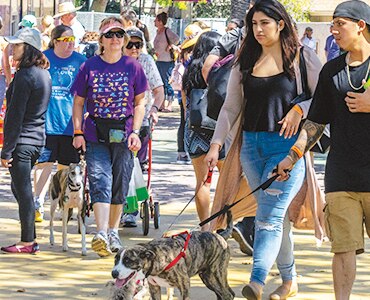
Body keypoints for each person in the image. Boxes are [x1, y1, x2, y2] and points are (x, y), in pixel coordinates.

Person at [205, 0, 322, 298]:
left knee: (268, 218)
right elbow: (231, 108)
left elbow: (324, 101)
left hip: (288, 150)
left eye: (264, 23)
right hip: (251, 149)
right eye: (253, 24)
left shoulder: (301, 57)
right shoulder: (245, 59)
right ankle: (289, 281)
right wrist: (216, 143)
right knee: (275, 217)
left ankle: (256, 281)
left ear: (280, 23)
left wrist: (300, 109)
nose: (258, 30)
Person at [276, 1, 370, 299]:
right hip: (341, 175)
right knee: (342, 249)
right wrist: (292, 156)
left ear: (361, 25)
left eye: (340, 23)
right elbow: (315, 121)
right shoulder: (332, 70)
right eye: (332, 23)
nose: (334, 30)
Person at [71, 17, 147, 257]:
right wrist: (77, 131)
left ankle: (113, 231)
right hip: (95, 132)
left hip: (124, 133)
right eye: (109, 35)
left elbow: (140, 102)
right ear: (101, 41)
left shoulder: (132, 66)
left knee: (120, 181)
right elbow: (79, 102)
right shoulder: (89, 66)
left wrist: (135, 131)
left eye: (119, 35)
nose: (115, 39)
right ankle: (101, 232)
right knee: (98, 179)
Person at [0, 28, 51, 254]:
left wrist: (6, 150)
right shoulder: (42, 73)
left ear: (28, 48)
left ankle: (28, 241)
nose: (13, 48)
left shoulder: (26, 75)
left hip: (23, 141)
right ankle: (28, 238)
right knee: (20, 188)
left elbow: (14, 115)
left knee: (23, 191)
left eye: (17, 45)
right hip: (36, 140)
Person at [33, 25, 87, 222]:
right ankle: (37, 203)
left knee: (66, 167)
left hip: (71, 125)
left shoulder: (81, 62)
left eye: (73, 39)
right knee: (43, 164)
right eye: (66, 40)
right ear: (55, 41)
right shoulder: (42, 58)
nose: (70, 43)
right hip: (46, 122)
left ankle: (64, 203)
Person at [121, 28, 164, 227]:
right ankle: (120, 206)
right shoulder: (113, 60)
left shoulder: (146, 61)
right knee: (120, 166)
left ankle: (130, 208)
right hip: (116, 121)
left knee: (133, 164)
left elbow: (159, 90)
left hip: (142, 122)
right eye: (130, 44)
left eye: (138, 44)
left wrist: (154, 108)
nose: (134, 49)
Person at [182, 30, 223, 231]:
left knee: (202, 182)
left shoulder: (189, 71)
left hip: (195, 131)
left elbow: (185, 105)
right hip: (219, 131)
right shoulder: (221, 71)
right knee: (227, 180)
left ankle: (205, 228)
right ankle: (222, 224)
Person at [153, 12, 179, 112]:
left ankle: (170, 104)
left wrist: (171, 45)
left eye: (156, 20)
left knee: (167, 82)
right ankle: (162, 104)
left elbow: (176, 39)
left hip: (167, 61)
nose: (154, 22)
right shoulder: (157, 32)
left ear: (160, 22)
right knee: (160, 83)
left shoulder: (166, 31)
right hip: (159, 60)